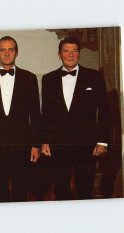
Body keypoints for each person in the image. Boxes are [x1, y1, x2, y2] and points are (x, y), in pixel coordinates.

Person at [41, 36, 110, 200]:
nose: (70, 55)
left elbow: (105, 111)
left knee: (85, 190)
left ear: (79, 54)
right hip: (58, 145)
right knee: (61, 190)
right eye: (66, 51)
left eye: (74, 51)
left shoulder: (94, 77)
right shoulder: (48, 79)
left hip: (87, 144)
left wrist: (103, 141)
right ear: (59, 55)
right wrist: (44, 140)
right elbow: (46, 113)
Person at [0, 36, 41, 202]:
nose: (7, 53)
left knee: (21, 188)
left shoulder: (30, 78)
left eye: (10, 49)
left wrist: (36, 145)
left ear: (16, 52)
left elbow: (35, 114)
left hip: (22, 144)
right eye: (3, 50)